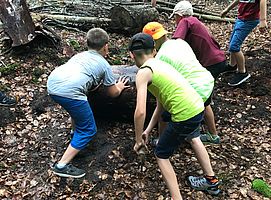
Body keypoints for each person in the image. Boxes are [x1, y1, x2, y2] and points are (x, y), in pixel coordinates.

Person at [130, 33, 220, 199]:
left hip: (184, 114)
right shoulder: (160, 64)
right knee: (194, 138)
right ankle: (211, 181)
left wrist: (137, 141)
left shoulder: (143, 72)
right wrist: (148, 130)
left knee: (161, 154)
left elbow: (140, 111)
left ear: (132, 55)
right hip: (197, 106)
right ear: (154, 51)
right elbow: (161, 104)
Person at [47, 28, 129, 178]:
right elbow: (113, 93)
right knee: (89, 129)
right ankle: (61, 165)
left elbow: (85, 76)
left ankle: (74, 134)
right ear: (106, 46)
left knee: (76, 111)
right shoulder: (104, 64)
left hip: (52, 84)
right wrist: (120, 86)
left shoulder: (80, 56)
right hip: (69, 92)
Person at [143, 22, 220, 144]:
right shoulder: (180, 42)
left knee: (164, 113)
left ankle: (161, 140)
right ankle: (213, 136)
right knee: (206, 104)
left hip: (193, 90)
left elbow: (165, 86)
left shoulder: (160, 58)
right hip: (206, 81)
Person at [220, 0, 267, 86]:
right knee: (232, 43)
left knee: (234, 46)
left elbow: (263, 1)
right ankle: (232, 65)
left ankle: (242, 73)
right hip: (240, 18)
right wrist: (227, 9)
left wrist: (263, 20)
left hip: (249, 20)